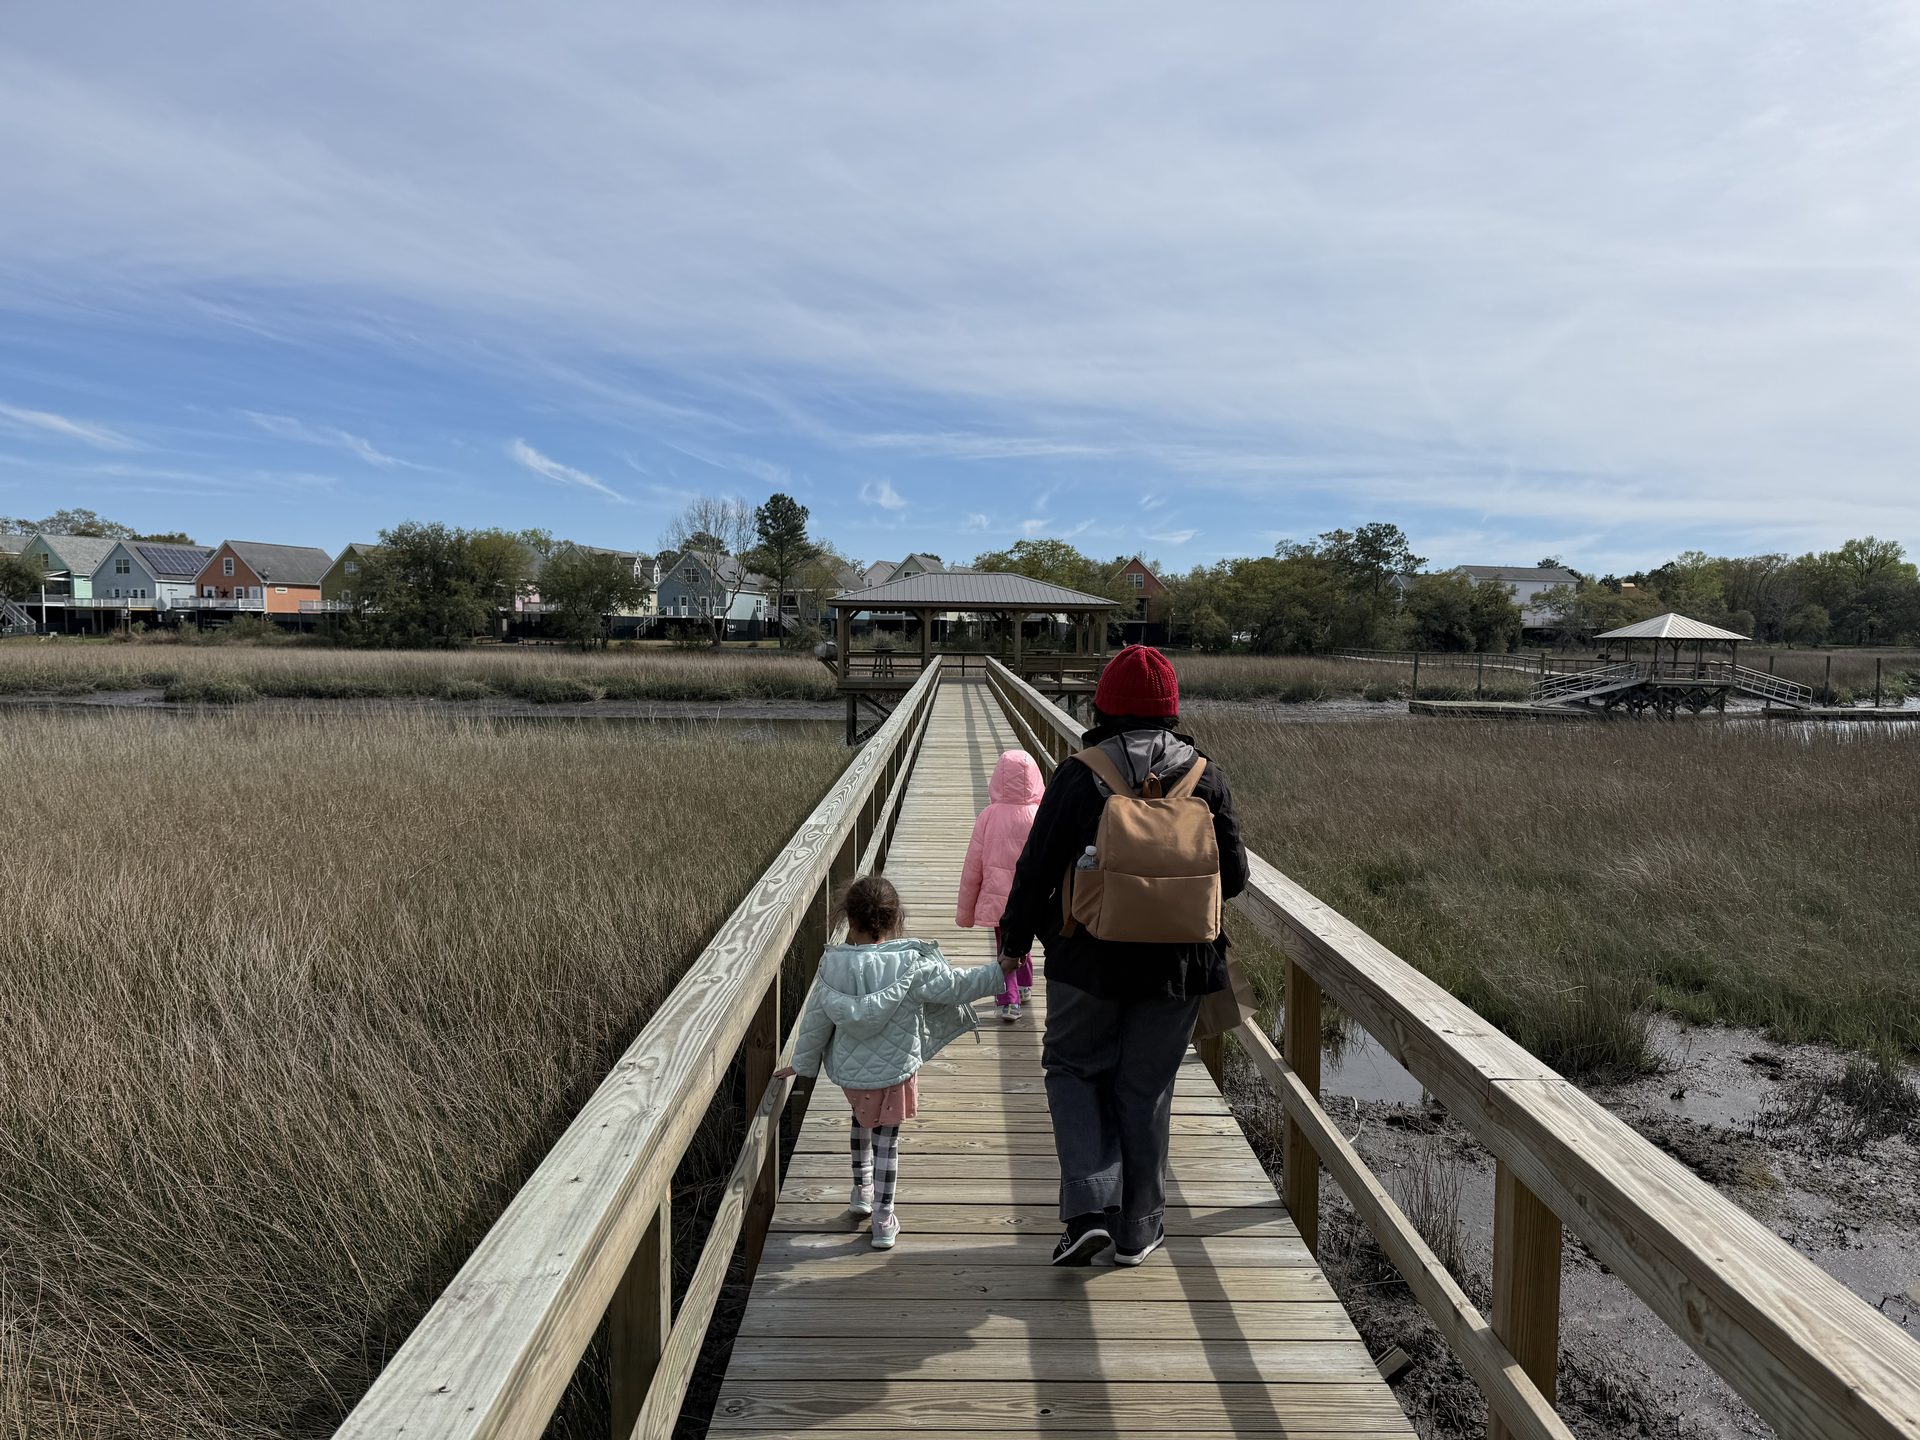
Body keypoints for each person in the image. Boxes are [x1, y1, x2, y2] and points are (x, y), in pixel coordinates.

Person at [998, 644, 1249, 1267]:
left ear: (1104, 705)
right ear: (1171, 708)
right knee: (1145, 1090)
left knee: (1074, 1070)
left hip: (1088, 959)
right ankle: (1138, 1229)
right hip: (1181, 966)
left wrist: (1014, 942)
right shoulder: (1205, 776)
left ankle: (1087, 1211)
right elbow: (1236, 877)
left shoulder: (1081, 773)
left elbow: (1035, 870)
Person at [779, 875, 1021, 1250]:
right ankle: (882, 1217)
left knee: (861, 1122)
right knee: (887, 1141)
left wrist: (802, 1063)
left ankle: (861, 1191)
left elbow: (815, 1021)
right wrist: (998, 971)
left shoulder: (832, 966)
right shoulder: (910, 964)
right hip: (894, 1070)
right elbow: (956, 986)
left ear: (849, 918)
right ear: (893, 922)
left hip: (851, 1074)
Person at [955, 748, 1046, 1022]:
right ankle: (1025, 984)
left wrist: (965, 911)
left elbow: (972, 866)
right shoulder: (1040, 815)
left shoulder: (988, 815)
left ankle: (1008, 1000)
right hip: (1032, 896)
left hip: (999, 898)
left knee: (1006, 944)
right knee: (1025, 936)